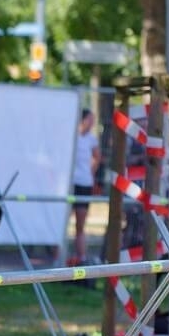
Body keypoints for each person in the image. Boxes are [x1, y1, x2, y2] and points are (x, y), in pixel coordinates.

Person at [69, 108, 100, 266]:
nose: (92, 122)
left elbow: (97, 158)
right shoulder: (72, 136)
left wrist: (90, 173)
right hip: (69, 184)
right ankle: (56, 258)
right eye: (90, 119)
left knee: (80, 224)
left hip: (84, 184)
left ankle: (81, 258)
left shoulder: (92, 139)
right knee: (62, 220)